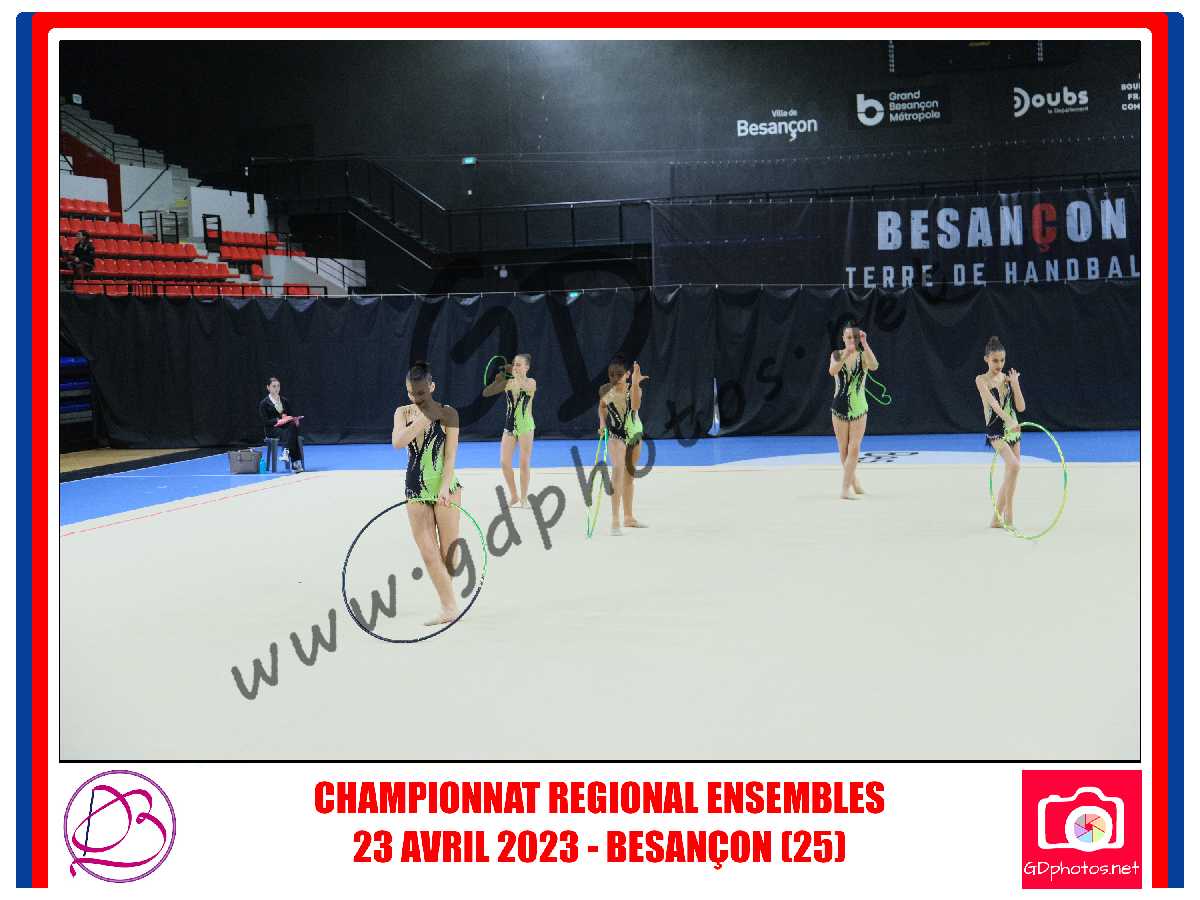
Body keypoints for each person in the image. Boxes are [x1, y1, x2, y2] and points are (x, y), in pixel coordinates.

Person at [392, 362, 463, 626]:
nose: (416, 397)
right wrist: (423, 416)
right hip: (415, 489)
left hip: (446, 487)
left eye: (421, 392)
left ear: (432, 387)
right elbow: (398, 442)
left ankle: (447, 597)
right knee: (429, 552)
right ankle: (449, 606)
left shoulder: (449, 413)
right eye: (412, 393)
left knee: (448, 554)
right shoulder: (402, 412)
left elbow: (450, 456)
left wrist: (444, 487)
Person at [975, 335, 1026, 529]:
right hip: (997, 430)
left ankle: (996, 519)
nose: (999, 364)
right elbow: (994, 405)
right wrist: (1009, 420)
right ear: (986, 359)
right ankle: (1009, 514)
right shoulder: (981, 380)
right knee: (1014, 466)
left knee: (1012, 471)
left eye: (1002, 360)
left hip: (1013, 429)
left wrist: (1015, 384)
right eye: (995, 360)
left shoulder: (1007, 378)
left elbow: (1020, 407)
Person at [829, 321, 879, 500]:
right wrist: (846, 354)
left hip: (859, 407)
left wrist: (865, 344)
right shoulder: (836, 354)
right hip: (839, 407)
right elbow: (832, 370)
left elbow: (874, 366)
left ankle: (846, 488)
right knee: (843, 448)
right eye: (848, 337)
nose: (851, 340)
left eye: (855, 337)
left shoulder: (863, 355)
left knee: (855, 447)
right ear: (843, 338)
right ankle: (853, 484)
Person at [598, 356, 648, 535]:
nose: (615, 378)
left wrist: (634, 383)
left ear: (627, 374)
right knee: (618, 470)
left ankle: (628, 517)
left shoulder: (635, 389)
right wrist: (602, 423)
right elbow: (602, 407)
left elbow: (635, 406)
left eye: (619, 374)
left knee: (629, 475)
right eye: (612, 375)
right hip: (616, 435)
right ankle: (615, 519)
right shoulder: (607, 391)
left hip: (634, 434)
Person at [482, 352, 537, 507]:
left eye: (519, 365)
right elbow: (486, 393)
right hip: (510, 426)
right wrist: (497, 381)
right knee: (504, 462)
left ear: (527, 367)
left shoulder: (531, 382)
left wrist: (511, 376)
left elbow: (524, 386)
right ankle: (514, 496)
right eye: (514, 364)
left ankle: (524, 497)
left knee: (524, 462)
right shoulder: (508, 382)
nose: (515, 367)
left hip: (525, 426)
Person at [258, 376, 305, 472]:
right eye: (274, 386)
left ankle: (286, 452)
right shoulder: (264, 403)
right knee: (290, 433)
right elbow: (265, 421)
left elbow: (290, 415)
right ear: (268, 387)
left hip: (286, 427)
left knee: (292, 426)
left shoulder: (284, 401)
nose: (276, 388)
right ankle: (295, 462)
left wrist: (294, 419)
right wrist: (278, 421)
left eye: (278, 386)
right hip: (272, 429)